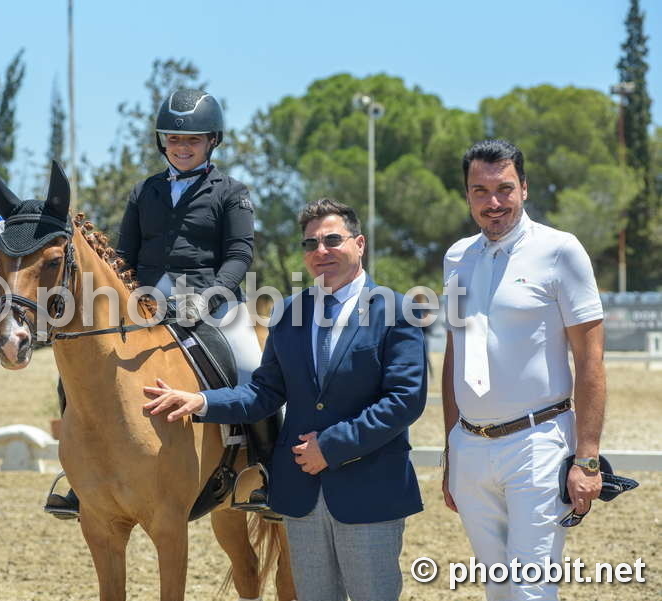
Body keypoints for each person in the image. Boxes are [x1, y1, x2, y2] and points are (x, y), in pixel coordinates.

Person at [143, 198, 427, 601]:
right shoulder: (289, 312)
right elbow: (265, 392)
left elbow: (404, 400)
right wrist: (201, 401)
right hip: (301, 495)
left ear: (359, 243)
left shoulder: (397, 310)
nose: (321, 251)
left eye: (332, 240)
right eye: (310, 244)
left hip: (370, 492)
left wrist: (330, 446)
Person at [46, 88, 267, 519]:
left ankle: (265, 471)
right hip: (145, 304)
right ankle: (79, 477)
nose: (182, 147)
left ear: (212, 141)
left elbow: (239, 255)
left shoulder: (231, 192)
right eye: (174, 139)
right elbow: (122, 257)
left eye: (193, 140)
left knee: (252, 368)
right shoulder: (144, 191)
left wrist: (210, 297)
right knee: (75, 372)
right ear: (162, 142)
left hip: (213, 300)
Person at [441, 139, 606, 601]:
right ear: (467, 195)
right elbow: (455, 355)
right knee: (497, 589)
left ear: (524, 188)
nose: (493, 202)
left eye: (504, 189)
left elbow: (590, 358)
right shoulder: (455, 258)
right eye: (480, 191)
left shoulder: (561, 250)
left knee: (531, 590)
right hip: (470, 448)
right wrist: (451, 449)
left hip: (538, 444)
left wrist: (587, 458)